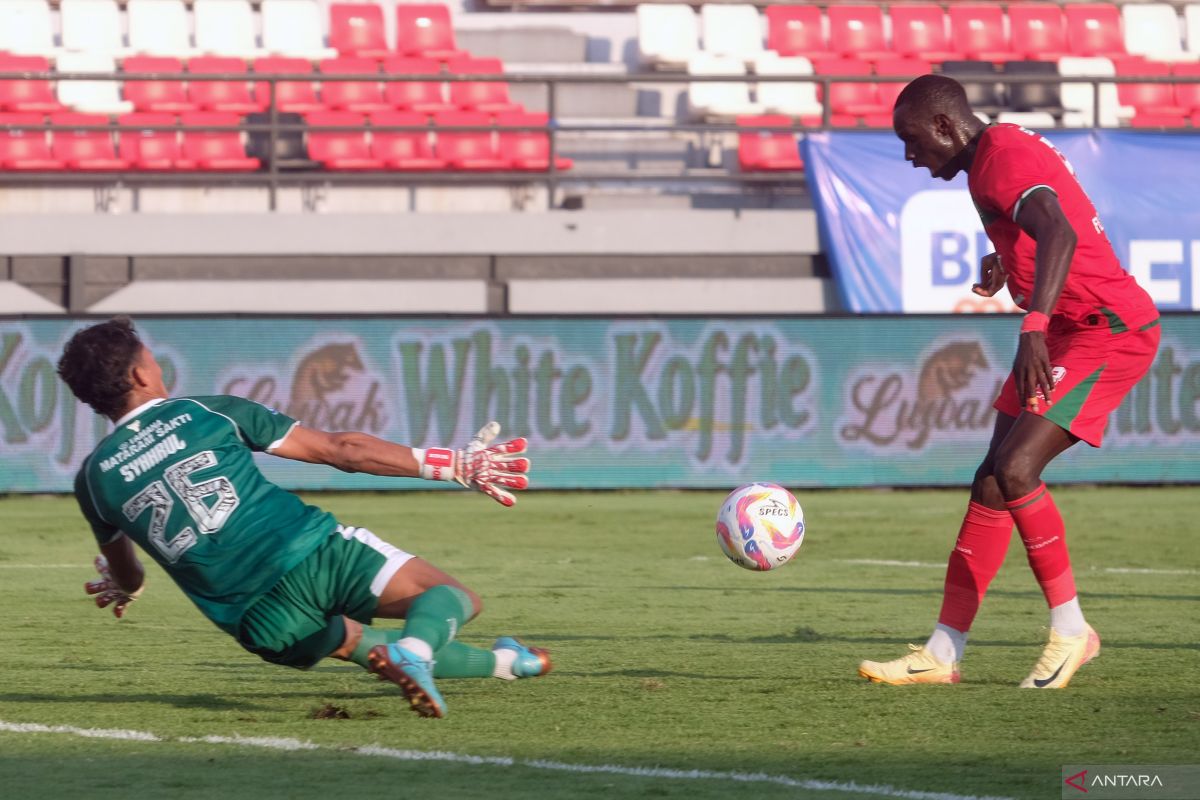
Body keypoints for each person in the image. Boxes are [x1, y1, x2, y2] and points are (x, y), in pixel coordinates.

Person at [58, 317, 548, 718]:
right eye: (149, 358)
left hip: (258, 621)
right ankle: (416, 652)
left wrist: (126, 587)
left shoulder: (93, 480)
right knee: (451, 598)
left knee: (377, 649)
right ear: (140, 375)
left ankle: (510, 663)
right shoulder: (206, 412)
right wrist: (452, 465)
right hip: (310, 555)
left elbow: (128, 575)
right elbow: (342, 451)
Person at [859, 75, 1160, 688]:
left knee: (1017, 470)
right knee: (992, 483)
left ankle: (1073, 632)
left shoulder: (1001, 160)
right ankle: (943, 653)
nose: (911, 155)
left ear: (945, 126)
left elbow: (1060, 231)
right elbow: (1042, 220)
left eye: (912, 140)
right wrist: (1008, 257)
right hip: (1072, 328)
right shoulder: (990, 157)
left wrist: (1034, 325)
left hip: (1107, 329)